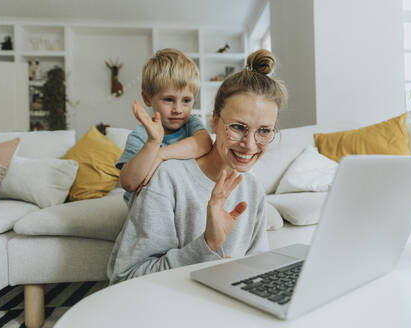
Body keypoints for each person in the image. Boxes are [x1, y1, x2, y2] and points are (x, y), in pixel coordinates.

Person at [108, 49, 288, 284]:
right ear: (214, 120)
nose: (249, 145)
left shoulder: (252, 188)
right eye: (238, 127)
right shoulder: (165, 178)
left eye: (264, 130)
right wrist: (208, 244)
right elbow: (125, 278)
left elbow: (258, 268)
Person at [117, 48, 212, 205]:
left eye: (186, 101)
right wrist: (153, 143)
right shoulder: (140, 136)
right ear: (147, 99)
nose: (178, 109)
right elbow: (128, 183)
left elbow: (205, 143)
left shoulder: (191, 124)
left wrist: (161, 154)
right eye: (168, 99)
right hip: (149, 208)